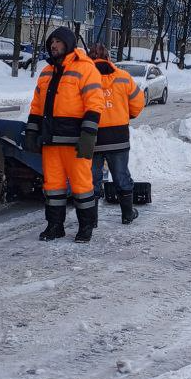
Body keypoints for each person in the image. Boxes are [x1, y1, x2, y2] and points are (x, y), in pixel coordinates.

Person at [24, 27, 105, 242]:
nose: (54, 46)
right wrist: (32, 131)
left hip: (75, 142)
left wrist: (88, 136)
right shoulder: (46, 72)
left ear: (68, 44)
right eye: (52, 42)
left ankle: (85, 227)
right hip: (51, 142)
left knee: (82, 187)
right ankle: (54, 226)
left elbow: (95, 104)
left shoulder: (86, 69)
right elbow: (36, 107)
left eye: (58, 42)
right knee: (53, 187)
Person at [87, 43, 146, 224]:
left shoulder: (85, 79)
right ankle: (127, 214)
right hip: (118, 138)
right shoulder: (124, 77)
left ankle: (92, 220)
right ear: (108, 57)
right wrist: (126, 114)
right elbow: (138, 103)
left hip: (92, 138)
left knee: (92, 180)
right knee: (121, 176)